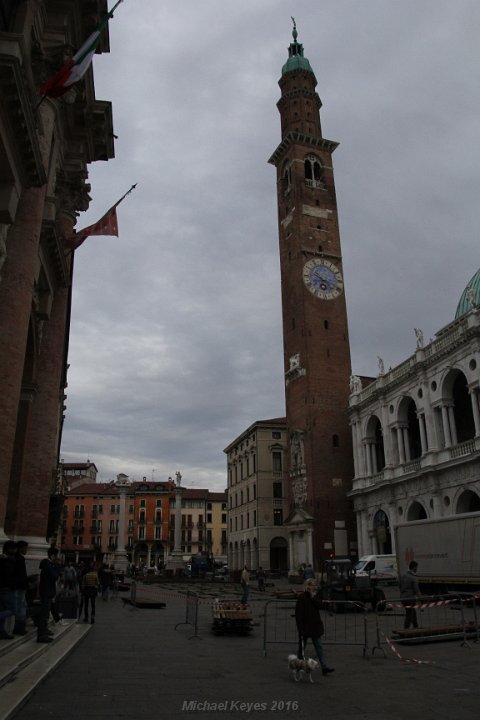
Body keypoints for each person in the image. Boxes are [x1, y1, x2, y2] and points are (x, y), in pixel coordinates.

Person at [295, 578, 334, 676]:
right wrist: (300, 628)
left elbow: (320, 606)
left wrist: (313, 597)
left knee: (319, 647)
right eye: (313, 585)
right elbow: (298, 614)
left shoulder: (315, 596)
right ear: (308, 586)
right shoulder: (302, 597)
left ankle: (324, 667)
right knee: (302, 649)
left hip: (315, 626)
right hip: (305, 627)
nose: (314, 587)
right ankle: (298, 666)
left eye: (315, 585)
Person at [37, 547, 62, 643]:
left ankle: (44, 630)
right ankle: (41, 635)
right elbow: (55, 576)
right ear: (53, 556)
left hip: (48, 592)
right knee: (44, 614)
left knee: (47, 613)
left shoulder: (49, 564)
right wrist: (58, 565)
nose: (58, 557)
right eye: (57, 555)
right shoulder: (47, 564)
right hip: (46, 592)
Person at [0, 540, 17, 639]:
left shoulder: (2, 559)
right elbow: (10, 576)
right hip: (7, 589)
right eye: (14, 548)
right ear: (9, 549)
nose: (15, 550)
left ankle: (1, 631)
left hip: (2, 588)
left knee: (2, 609)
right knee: (12, 610)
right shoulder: (9, 561)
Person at [400, 560, 421, 629]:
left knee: (412, 612)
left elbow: (399, 586)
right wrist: (421, 599)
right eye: (416, 568)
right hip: (410, 599)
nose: (417, 569)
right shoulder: (413, 578)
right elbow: (416, 590)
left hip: (403, 598)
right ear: (414, 568)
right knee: (409, 614)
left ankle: (416, 626)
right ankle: (406, 629)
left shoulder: (403, 576)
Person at [13, 540, 29, 635]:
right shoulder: (19, 559)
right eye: (25, 548)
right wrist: (25, 584)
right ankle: (19, 628)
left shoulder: (17, 558)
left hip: (19, 586)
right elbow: (21, 574)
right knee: (21, 607)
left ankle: (19, 627)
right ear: (21, 548)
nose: (26, 550)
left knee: (22, 606)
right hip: (19, 587)